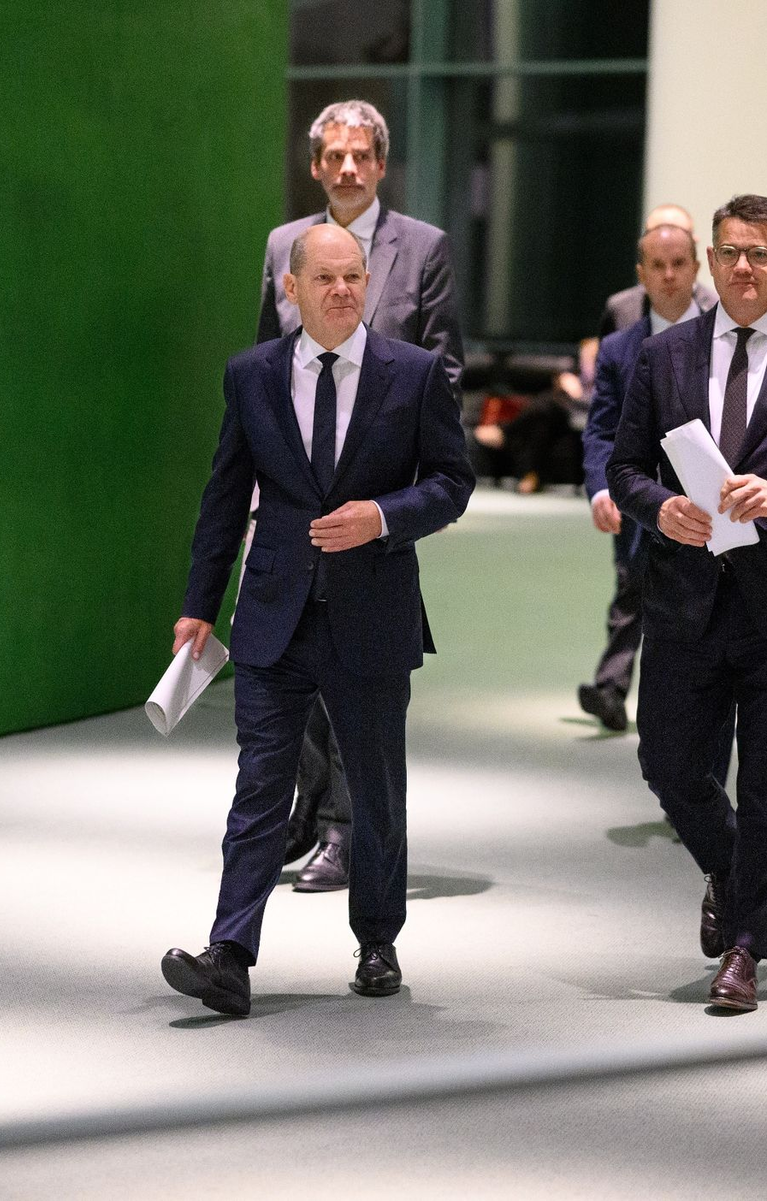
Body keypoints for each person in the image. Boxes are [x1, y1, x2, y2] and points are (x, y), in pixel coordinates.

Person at [162, 224, 474, 1015]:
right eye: (325, 278)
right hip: (276, 611)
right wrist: (199, 604)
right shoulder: (253, 375)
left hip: (371, 611)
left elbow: (451, 481)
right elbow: (224, 497)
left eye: (354, 277)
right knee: (261, 784)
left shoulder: (414, 373)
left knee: (374, 789)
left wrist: (382, 515)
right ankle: (229, 951)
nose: (342, 290)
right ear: (290, 290)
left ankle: (377, 938)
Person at [608, 195, 767, 1012]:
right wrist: (657, 506)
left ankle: (746, 948)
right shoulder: (665, 356)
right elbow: (626, 466)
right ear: (711, 262)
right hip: (686, 595)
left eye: (760, 254)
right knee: (667, 760)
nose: (743, 266)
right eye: (730, 252)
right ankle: (732, 864)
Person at [257, 98, 465, 891]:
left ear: (382, 164)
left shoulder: (427, 248)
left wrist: (412, 500)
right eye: (333, 156)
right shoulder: (286, 245)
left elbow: (443, 368)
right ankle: (311, 808)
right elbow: (264, 366)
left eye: (362, 155)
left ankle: (347, 826)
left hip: (378, 496)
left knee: (359, 658)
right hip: (295, 490)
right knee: (292, 651)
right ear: (315, 166)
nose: (348, 168)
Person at [579, 223, 715, 731]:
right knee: (632, 588)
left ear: (697, 269)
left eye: (679, 263)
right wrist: (600, 491)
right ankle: (612, 689)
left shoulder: (726, 339)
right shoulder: (618, 350)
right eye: (657, 265)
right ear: (641, 275)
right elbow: (601, 430)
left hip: (708, 498)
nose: (669, 275)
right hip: (641, 500)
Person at [598, 204, 718, 338]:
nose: (665, 240)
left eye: (678, 232)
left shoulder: (718, 308)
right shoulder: (621, 309)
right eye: (655, 233)